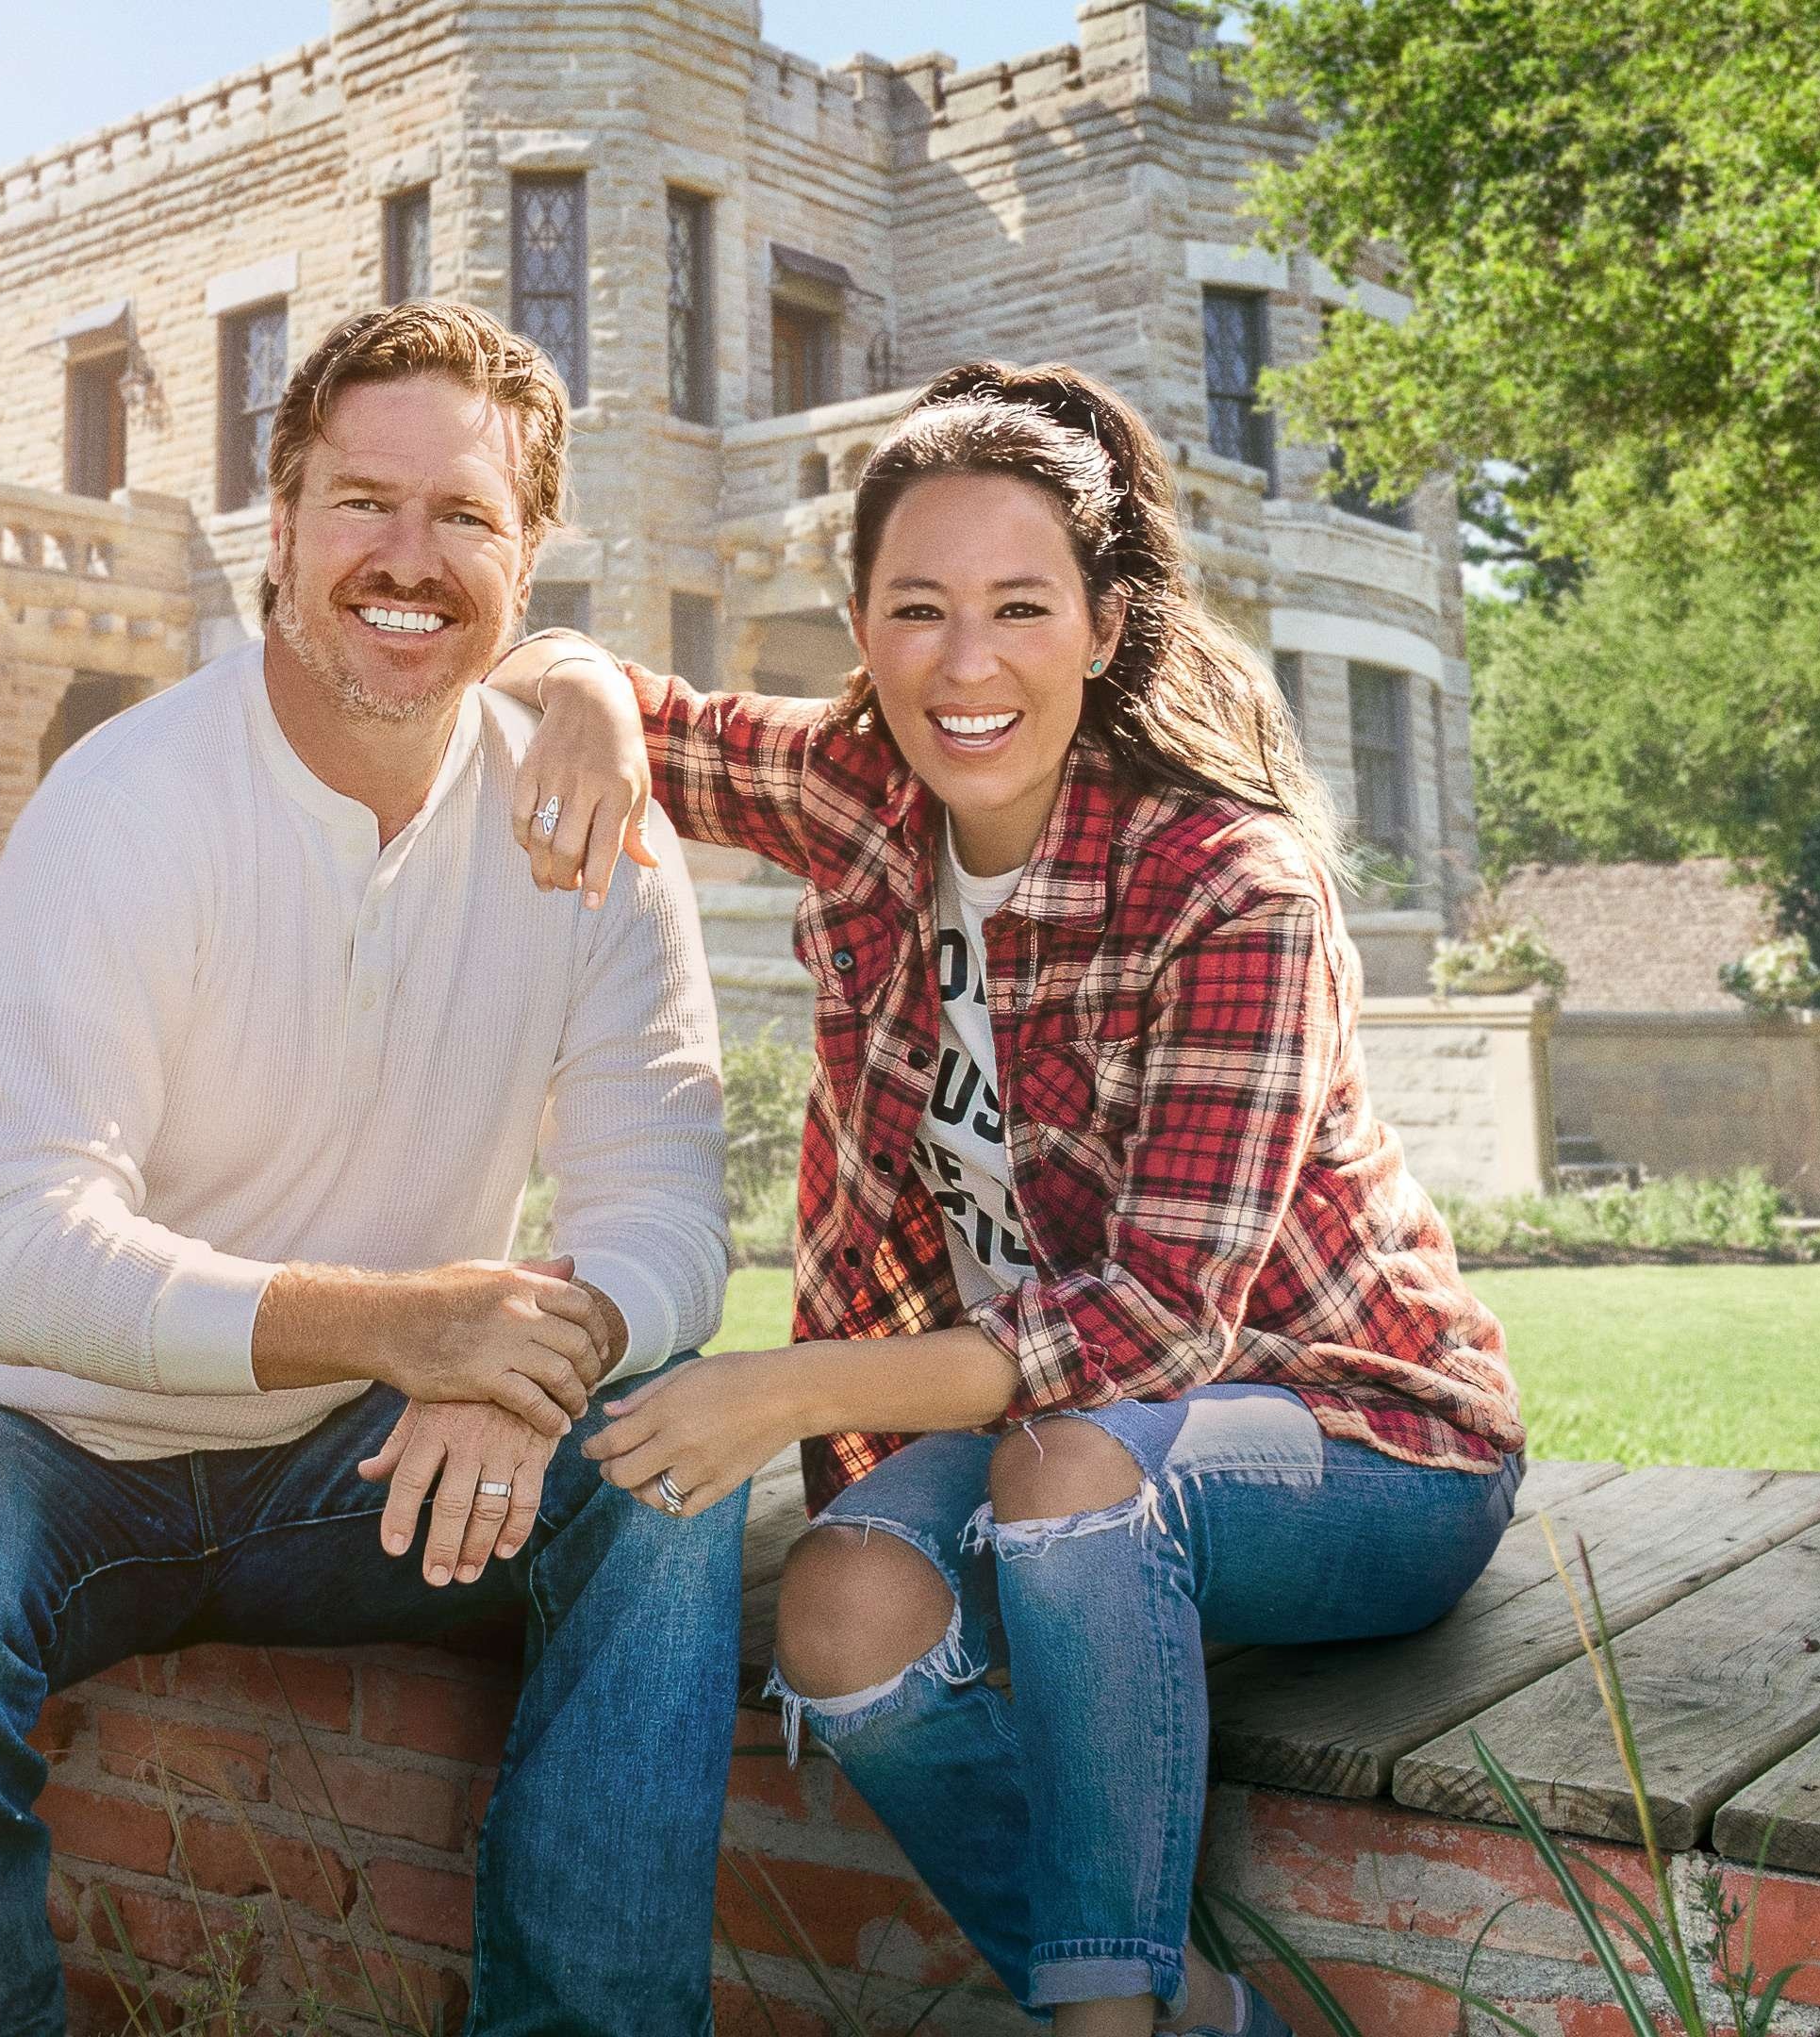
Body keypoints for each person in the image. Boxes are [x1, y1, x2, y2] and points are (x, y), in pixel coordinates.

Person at [486, 360, 1527, 2037]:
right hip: (1065, 1432)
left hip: (1362, 1440)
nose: (965, 667)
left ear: (1105, 626)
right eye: (918, 612)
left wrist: (785, 1390)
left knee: (1069, 1473)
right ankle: (1195, 2005)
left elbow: (1152, 1328)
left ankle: (1097, 2028)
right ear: (861, 627)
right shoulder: (861, 797)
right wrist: (595, 700)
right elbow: (557, 667)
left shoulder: (1227, 886)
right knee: (841, 1615)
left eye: (1020, 607)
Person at [0, 298, 744, 2036]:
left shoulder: (597, 843)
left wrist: (543, 1363)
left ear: (527, 560)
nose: (410, 558)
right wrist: (411, 1326)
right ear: (282, 531)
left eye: (465, 516)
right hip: (29, 1427)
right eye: (362, 505)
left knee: (667, 1484)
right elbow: (20, 1249)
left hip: (353, 1467)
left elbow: (668, 1209)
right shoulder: (128, 801)